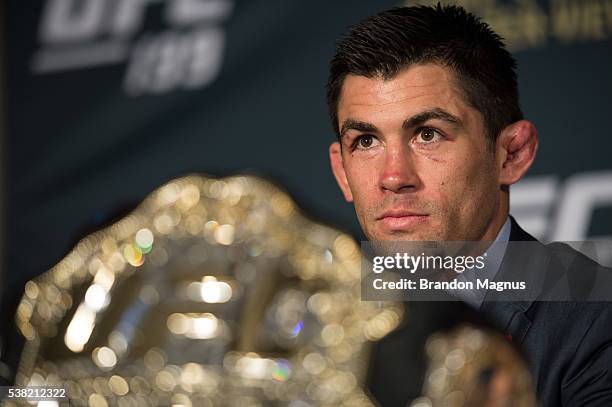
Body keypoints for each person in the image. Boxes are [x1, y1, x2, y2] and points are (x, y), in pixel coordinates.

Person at [326, 4, 612, 406]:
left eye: (428, 134)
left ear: (511, 154)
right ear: (342, 172)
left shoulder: (598, 319)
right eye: (366, 142)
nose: (393, 177)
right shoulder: (316, 327)